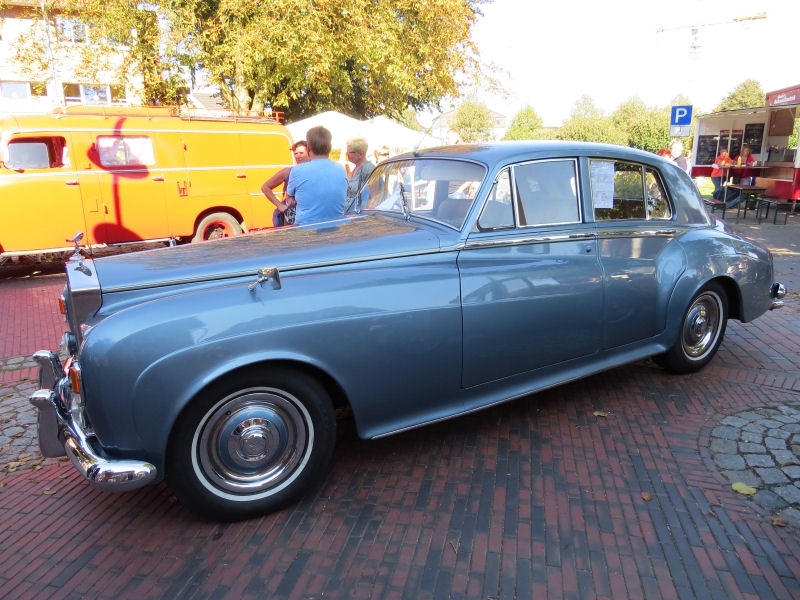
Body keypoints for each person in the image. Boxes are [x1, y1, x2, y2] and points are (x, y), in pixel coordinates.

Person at [285, 126, 347, 225]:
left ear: (308, 147)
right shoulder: (341, 169)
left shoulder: (297, 170)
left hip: (306, 229)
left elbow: (289, 198)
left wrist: (291, 200)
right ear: (330, 147)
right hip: (336, 228)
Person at [261, 140, 309, 226]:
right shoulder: (288, 171)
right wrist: (279, 205)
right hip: (291, 219)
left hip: (309, 217)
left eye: (301, 153)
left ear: (309, 153)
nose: (298, 156)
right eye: (296, 153)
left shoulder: (316, 171)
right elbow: (265, 187)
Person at [345, 137, 376, 210]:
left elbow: (375, 196)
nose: (346, 154)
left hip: (359, 217)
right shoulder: (356, 168)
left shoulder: (368, 168)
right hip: (351, 216)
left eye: (349, 152)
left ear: (360, 154)